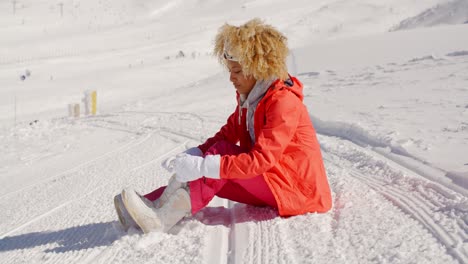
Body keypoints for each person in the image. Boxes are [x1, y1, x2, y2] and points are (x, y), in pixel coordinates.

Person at [114, 18, 332, 233]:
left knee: (218, 159)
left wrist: (202, 165)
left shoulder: (283, 102)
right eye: (230, 70)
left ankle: (161, 219)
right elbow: (228, 134)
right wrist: (196, 154)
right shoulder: (252, 98)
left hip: (299, 193)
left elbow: (261, 160)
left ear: (258, 69)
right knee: (212, 166)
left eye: (237, 71)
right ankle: (152, 205)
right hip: (276, 184)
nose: (231, 78)